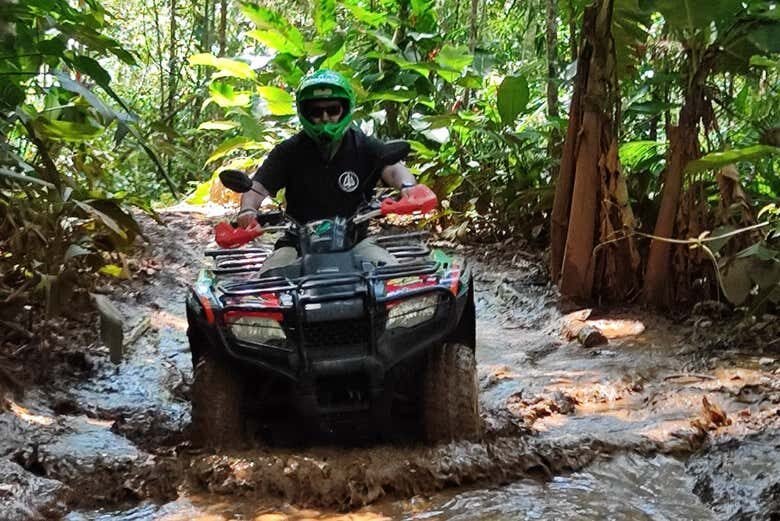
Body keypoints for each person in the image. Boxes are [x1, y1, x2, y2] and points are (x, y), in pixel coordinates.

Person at [236, 69, 419, 273]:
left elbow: (393, 169)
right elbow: (257, 187)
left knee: (389, 276)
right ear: (305, 113)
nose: (325, 117)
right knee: (270, 281)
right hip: (297, 244)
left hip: (355, 241)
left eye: (332, 110)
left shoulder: (364, 146)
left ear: (344, 109)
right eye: (316, 111)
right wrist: (248, 210)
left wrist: (408, 187)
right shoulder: (288, 151)